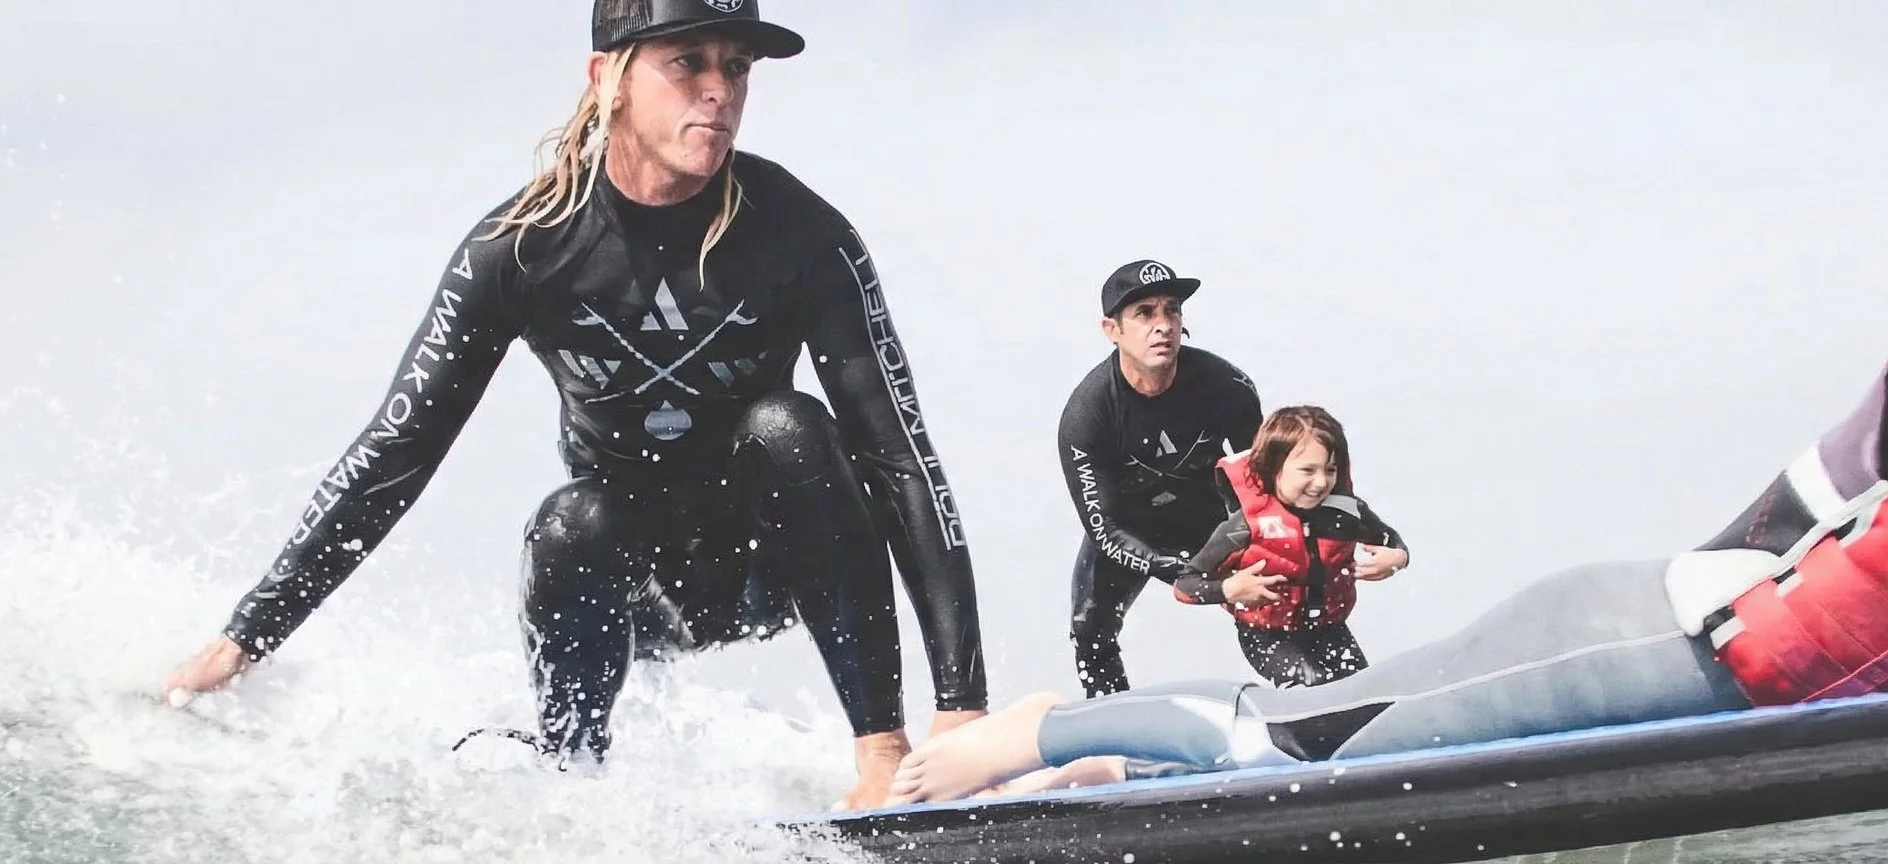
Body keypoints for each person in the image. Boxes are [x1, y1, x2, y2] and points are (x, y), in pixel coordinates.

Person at [875, 131, 1888, 806]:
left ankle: (1110, 769)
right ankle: (1034, 732)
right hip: (1640, 645)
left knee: (1305, 735)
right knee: (1284, 744)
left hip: (1702, 660)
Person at [156, 0, 988, 806]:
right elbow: (398, 449)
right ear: (608, 79)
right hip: (632, 584)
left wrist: (962, 705)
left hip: (766, 569)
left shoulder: (801, 234)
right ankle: (573, 788)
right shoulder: (525, 246)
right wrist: (245, 637)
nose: (719, 90)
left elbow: (899, 457)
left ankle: (881, 755)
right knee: (571, 519)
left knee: (789, 427)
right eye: (687, 63)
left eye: (736, 68)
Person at [1056, 260, 1264, 696]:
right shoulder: (1087, 414)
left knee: (1276, 579)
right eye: (1145, 313)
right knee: (1089, 626)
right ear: (1112, 330)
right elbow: (1103, 529)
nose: (1163, 325)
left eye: (1172, 310)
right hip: (1127, 530)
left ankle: (1319, 690)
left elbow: (1265, 492)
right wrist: (1182, 572)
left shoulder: (1226, 386)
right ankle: (1111, 717)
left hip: (1209, 520)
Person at [1171, 406, 1411, 687]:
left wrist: (1397, 558)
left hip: (1330, 630)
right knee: (1312, 684)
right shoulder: (1246, 525)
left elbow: (1391, 542)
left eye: (1330, 470)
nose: (1321, 482)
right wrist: (1229, 589)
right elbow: (1185, 586)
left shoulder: (1347, 513)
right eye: (1308, 470)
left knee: (1362, 690)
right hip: (1266, 636)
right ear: (1273, 468)